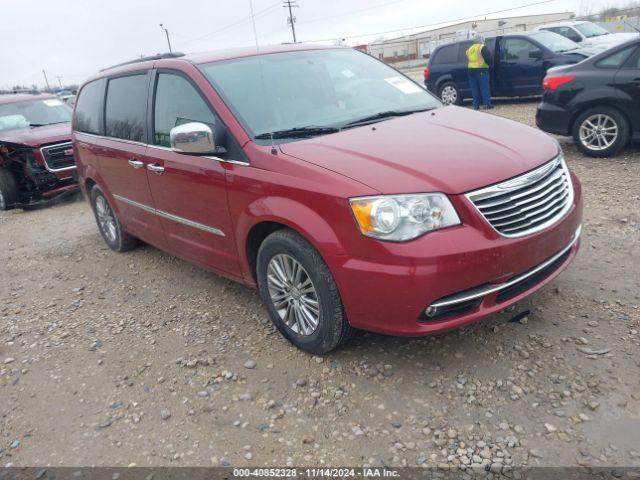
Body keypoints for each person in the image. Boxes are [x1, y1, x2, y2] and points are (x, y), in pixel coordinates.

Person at [466, 33, 493, 110]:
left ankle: (475, 105)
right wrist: (490, 65)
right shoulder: (482, 47)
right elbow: (488, 58)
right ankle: (486, 104)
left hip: (471, 71)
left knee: (474, 88)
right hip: (481, 70)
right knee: (484, 88)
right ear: (481, 39)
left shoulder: (470, 49)